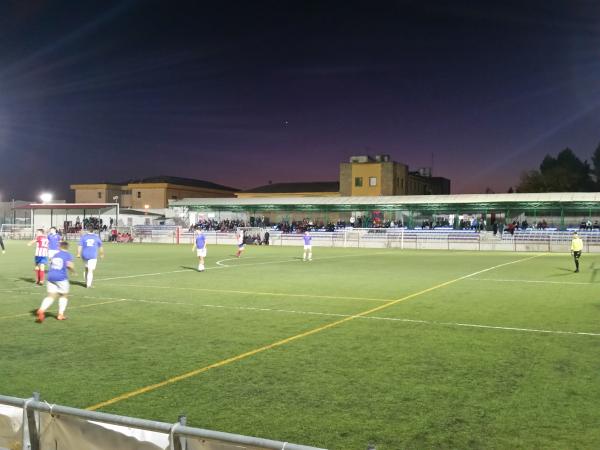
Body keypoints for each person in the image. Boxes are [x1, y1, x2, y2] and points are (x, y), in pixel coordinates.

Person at [36, 241, 75, 322]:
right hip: (61, 277)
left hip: (50, 276)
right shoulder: (68, 255)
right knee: (64, 295)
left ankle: (41, 310)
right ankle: (60, 314)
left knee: (51, 296)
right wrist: (73, 271)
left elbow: (51, 263)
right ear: (67, 247)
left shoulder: (55, 254)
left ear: (60, 247)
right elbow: (69, 265)